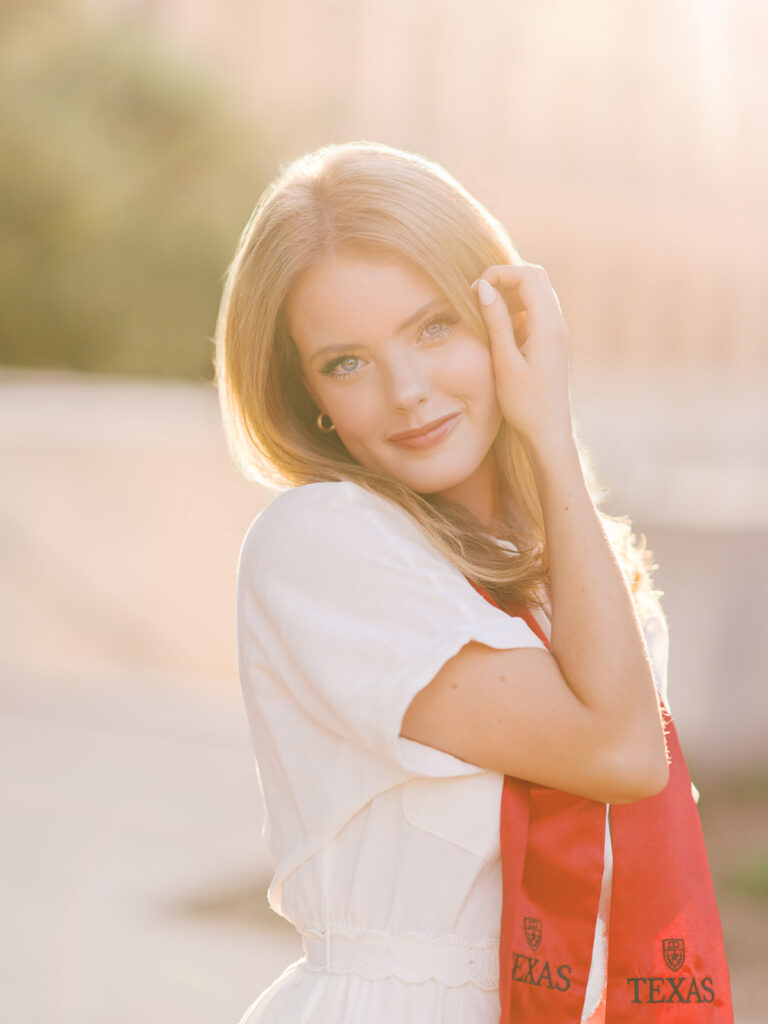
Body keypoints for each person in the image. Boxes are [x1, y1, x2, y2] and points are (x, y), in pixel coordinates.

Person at [214, 141, 731, 1023]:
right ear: (311, 399)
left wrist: (546, 453)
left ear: (503, 320)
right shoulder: (322, 545)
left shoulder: (574, 570)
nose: (408, 391)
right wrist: (553, 435)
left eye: (433, 327)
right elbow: (620, 754)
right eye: (347, 362)